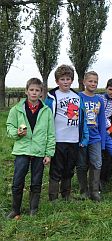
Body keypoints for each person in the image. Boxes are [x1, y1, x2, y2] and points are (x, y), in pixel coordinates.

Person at [6, 78, 55, 218]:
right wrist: (17, 132)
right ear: (26, 91)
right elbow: (9, 126)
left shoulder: (46, 111)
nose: (34, 93)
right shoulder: (16, 109)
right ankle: (15, 209)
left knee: (36, 181)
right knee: (17, 181)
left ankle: (33, 209)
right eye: (31, 90)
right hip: (22, 150)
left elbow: (51, 134)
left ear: (41, 93)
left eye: (37, 90)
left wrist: (49, 153)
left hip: (39, 152)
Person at [45, 64, 88, 201]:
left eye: (68, 79)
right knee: (57, 169)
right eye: (62, 79)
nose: (65, 82)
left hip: (74, 139)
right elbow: (46, 117)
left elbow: (83, 117)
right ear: (57, 81)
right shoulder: (52, 96)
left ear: (72, 80)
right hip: (58, 139)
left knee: (69, 169)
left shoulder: (76, 96)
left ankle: (66, 195)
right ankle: (53, 197)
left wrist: (83, 137)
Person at [78, 71, 107, 201]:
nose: (93, 84)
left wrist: (103, 141)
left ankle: (94, 191)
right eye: (90, 81)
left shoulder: (99, 100)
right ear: (84, 82)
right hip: (81, 138)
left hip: (95, 138)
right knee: (82, 165)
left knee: (97, 163)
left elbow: (101, 122)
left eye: (95, 81)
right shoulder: (78, 97)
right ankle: (83, 191)